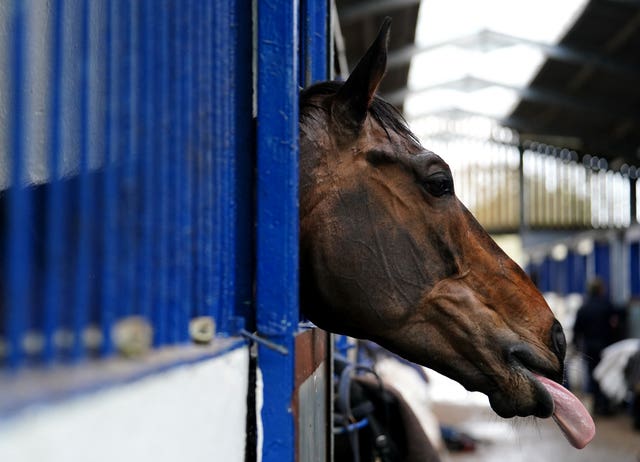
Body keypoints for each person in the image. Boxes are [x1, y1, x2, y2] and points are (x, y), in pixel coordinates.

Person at [573, 277, 616, 415]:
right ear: (600, 290)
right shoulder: (607, 306)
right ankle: (605, 406)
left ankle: (594, 406)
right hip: (605, 347)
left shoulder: (583, 308)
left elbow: (577, 330)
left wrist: (576, 346)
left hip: (589, 347)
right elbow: (615, 325)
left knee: (592, 376)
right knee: (605, 374)